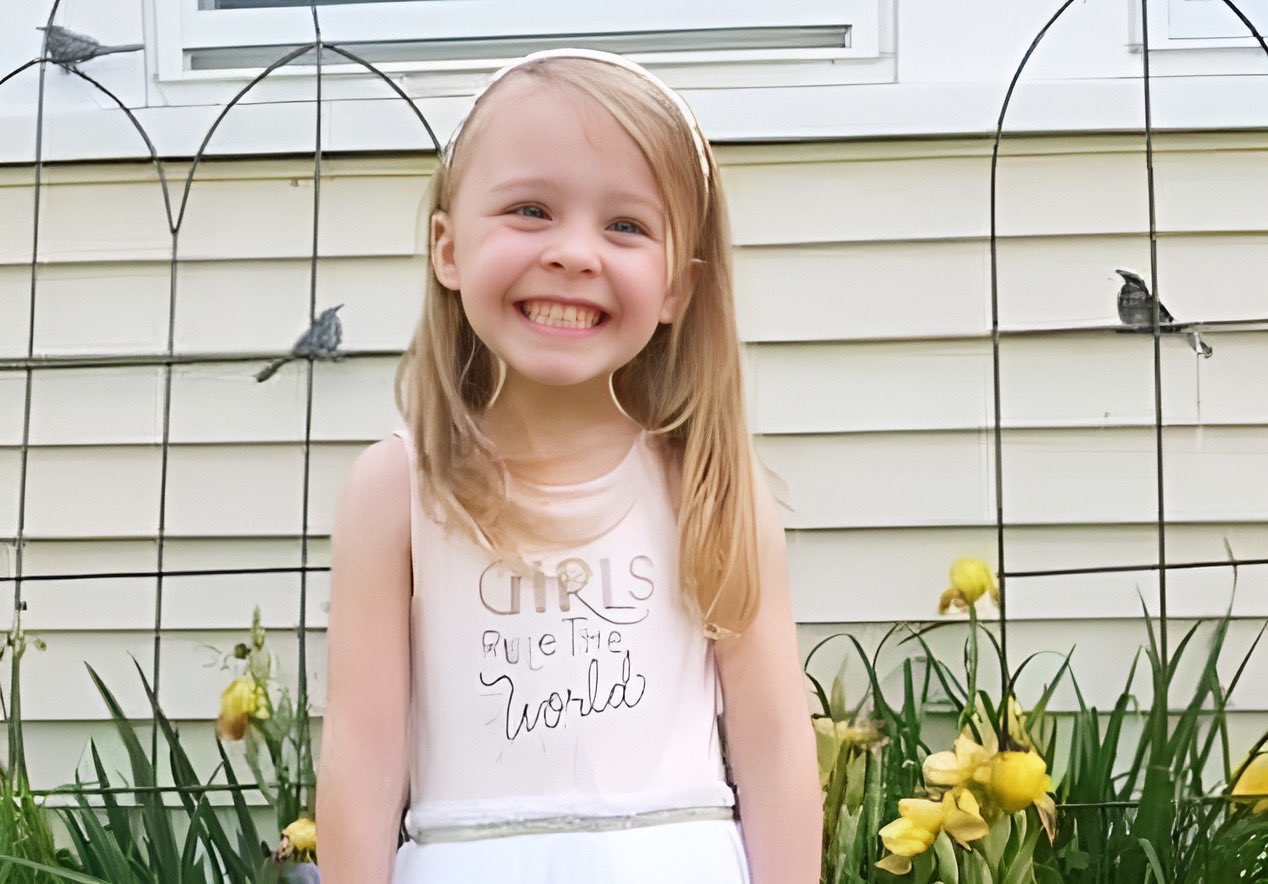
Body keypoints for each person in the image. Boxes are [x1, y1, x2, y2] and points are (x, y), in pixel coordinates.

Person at [315, 48, 821, 884]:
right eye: (529, 209)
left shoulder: (708, 484)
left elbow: (775, 748)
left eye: (625, 225)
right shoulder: (396, 492)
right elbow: (361, 756)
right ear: (448, 249)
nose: (575, 253)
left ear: (677, 288)